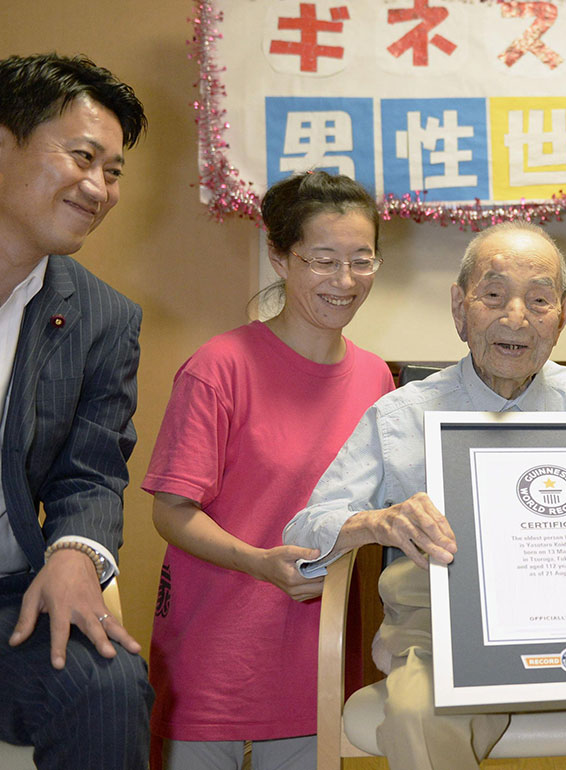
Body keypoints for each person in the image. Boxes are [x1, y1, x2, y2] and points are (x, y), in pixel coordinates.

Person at [284, 220, 566, 770]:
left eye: (538, 300)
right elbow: (304, 531)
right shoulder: (403, 415)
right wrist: (378, 523)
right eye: (493, 294)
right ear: (459, 307)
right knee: (415, 713)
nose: (516, 318)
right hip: (446, 639)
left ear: (563, 315)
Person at [142, 171, 395, 769]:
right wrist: (259, 562)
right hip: (215, 656)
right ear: (280, 258)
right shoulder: (219, 367)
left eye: (362, 261)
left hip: (320, 658)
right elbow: (172, 511)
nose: (345, 281)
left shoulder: (377, 380)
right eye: (323, 260)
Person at [0, 53, 151, 768]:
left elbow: (90, 474)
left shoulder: (102, 317)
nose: (99, 188)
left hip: (8, 600)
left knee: (106, 683)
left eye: (113, 171)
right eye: (82, 157)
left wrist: (73, 552)